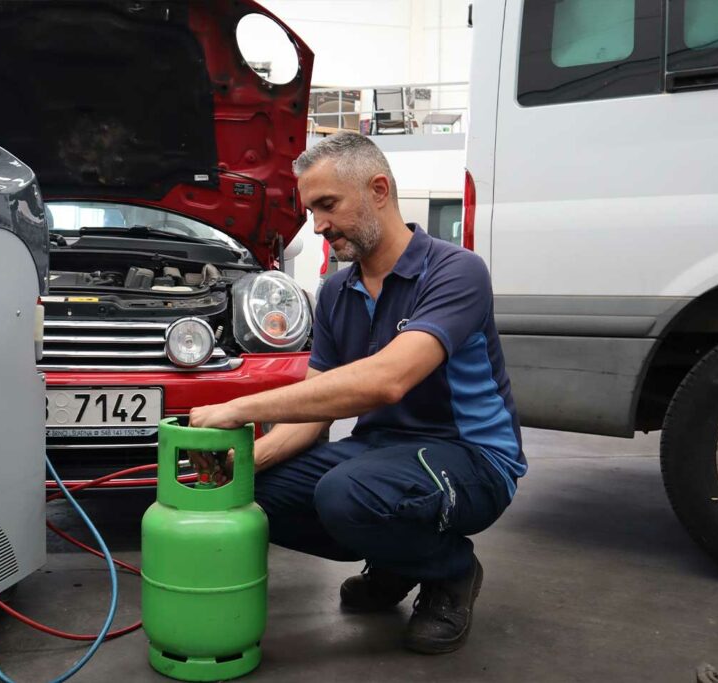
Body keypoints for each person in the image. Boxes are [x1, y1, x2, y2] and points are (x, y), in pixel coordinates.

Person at [189, 131, 526, 654]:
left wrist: (239, 408)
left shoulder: (455, 271)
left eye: (327, 205)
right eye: (311, 211)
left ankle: (450, 571)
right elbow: (315, 406)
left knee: (346, 493)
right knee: (252, 493)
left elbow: (386, 380)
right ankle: (398, 558)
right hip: (384, 451)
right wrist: (250, 459)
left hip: (472, 458)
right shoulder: (336, 291)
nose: (318, 226)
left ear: (378, 189)